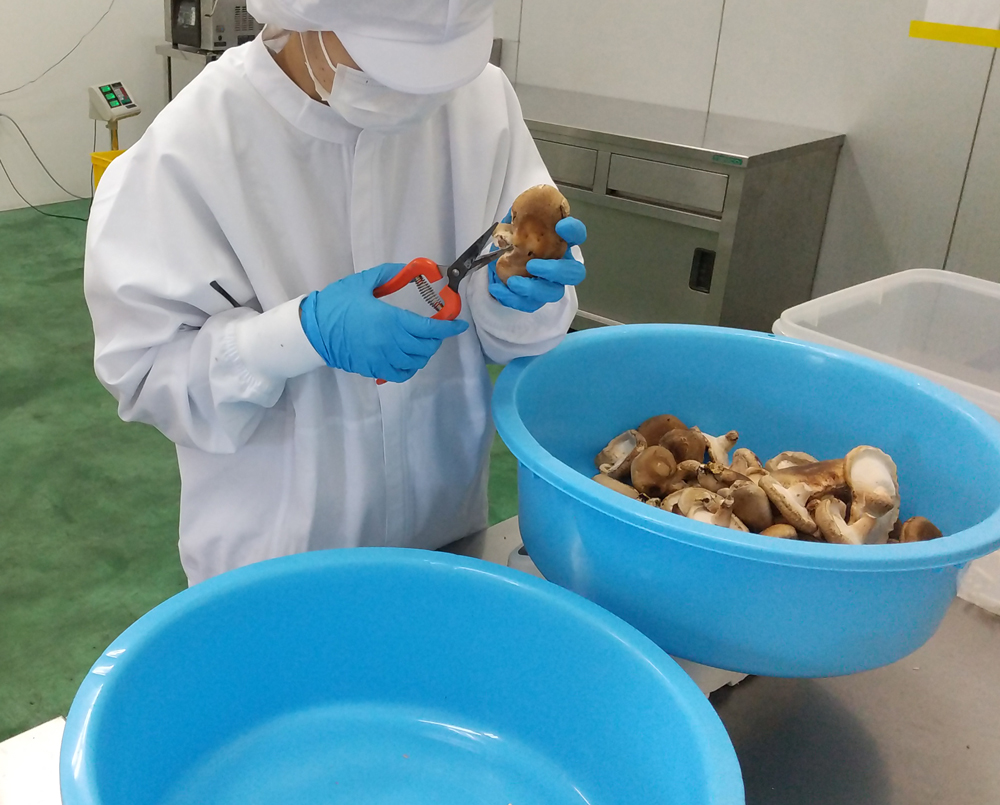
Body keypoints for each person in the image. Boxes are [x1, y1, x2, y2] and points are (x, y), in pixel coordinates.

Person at [83, 0, 586, 585]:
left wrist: (514, 298)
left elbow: (519, 326)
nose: (418, 93)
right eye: (390, 57)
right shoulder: (192, 146)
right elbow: (146, 372)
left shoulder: (480, 100)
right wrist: (297, 335)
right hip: (276, 563)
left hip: (442, 536)